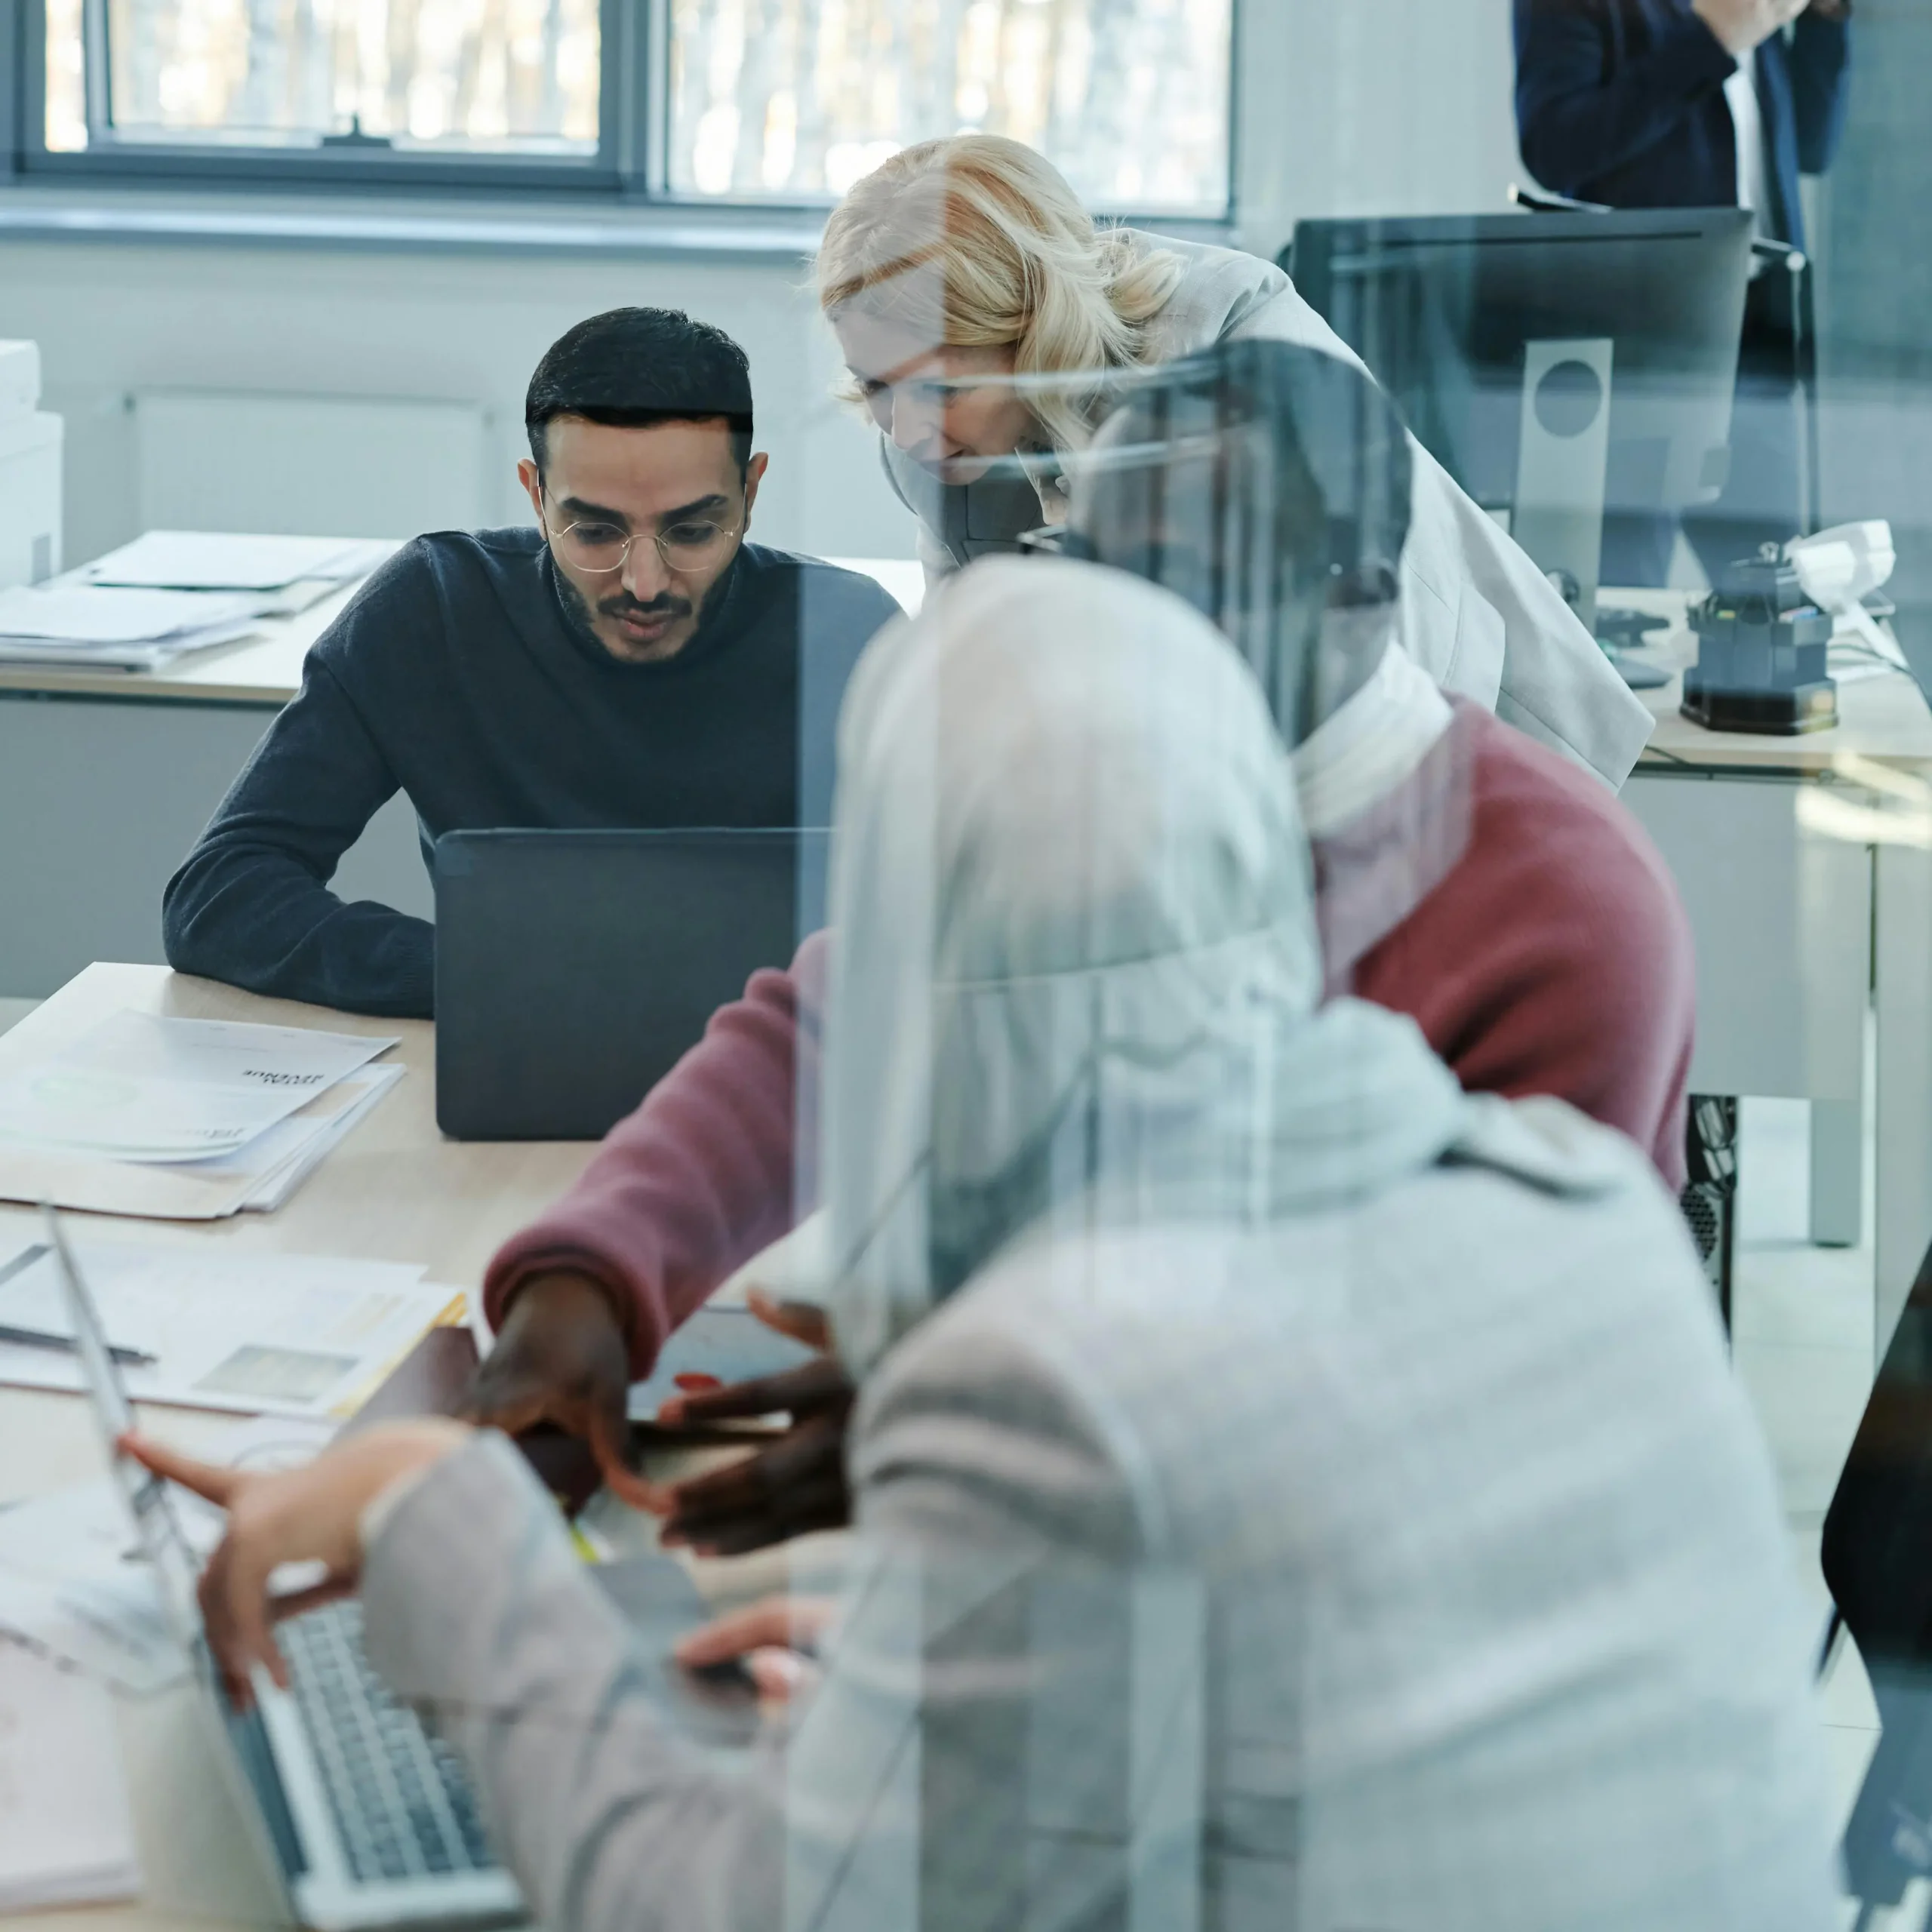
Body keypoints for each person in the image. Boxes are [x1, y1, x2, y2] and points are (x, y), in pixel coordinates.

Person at [126, 561, 1836, 1930]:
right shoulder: (1580, 1196)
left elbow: (714, 1904)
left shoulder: (1064, 1385)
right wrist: (959, 1685)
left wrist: (442, 1523)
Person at [465, 341, 1697, 1551]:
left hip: (1426, 1579)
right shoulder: (1120, 772)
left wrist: (988, 1432)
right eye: (1092, 567)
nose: (1113, 627)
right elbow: (838, 1026)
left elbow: (1457, 1377)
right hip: (1107, 1496)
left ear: (1362, 601)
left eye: (1183, 579)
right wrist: (590, 1278)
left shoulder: (1569, 905)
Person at [817, 131, 1654, 789]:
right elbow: (978, 682)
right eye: (875, 387)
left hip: (1437, 747)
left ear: (1031, 327)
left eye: (939, 388)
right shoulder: (933, 450)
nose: (905, 431)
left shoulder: (1234, 343)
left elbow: (1376, 668)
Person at [162, 306, 902, 1017]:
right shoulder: (436, 605)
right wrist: (488, 975)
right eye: (595, 530)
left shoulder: (850, 632)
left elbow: (953, 918)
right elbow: (222, 894)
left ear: (751, 491)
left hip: (777, 1070)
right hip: (512, 1046)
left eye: (692, 530)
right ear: (536, 495)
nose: (644, 582)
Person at [1513, 0, 1853, 578]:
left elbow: (1813, 147)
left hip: (1758, 331)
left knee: (1774, 587)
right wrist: (1711, 39)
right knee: (1625, 587)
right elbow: (1555, 148)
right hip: (1642, 341)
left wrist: (1825, 21)